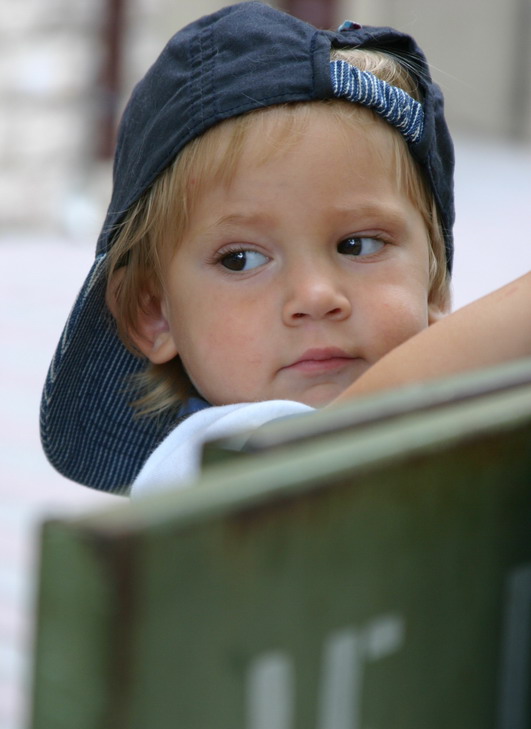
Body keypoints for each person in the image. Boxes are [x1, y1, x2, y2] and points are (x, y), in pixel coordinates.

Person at [40, 2, 529, 497]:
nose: (316, 296)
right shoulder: (199, 461)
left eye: (358, 245)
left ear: (432, 285)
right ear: (154, 313)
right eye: (240, 259)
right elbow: (342, 434)